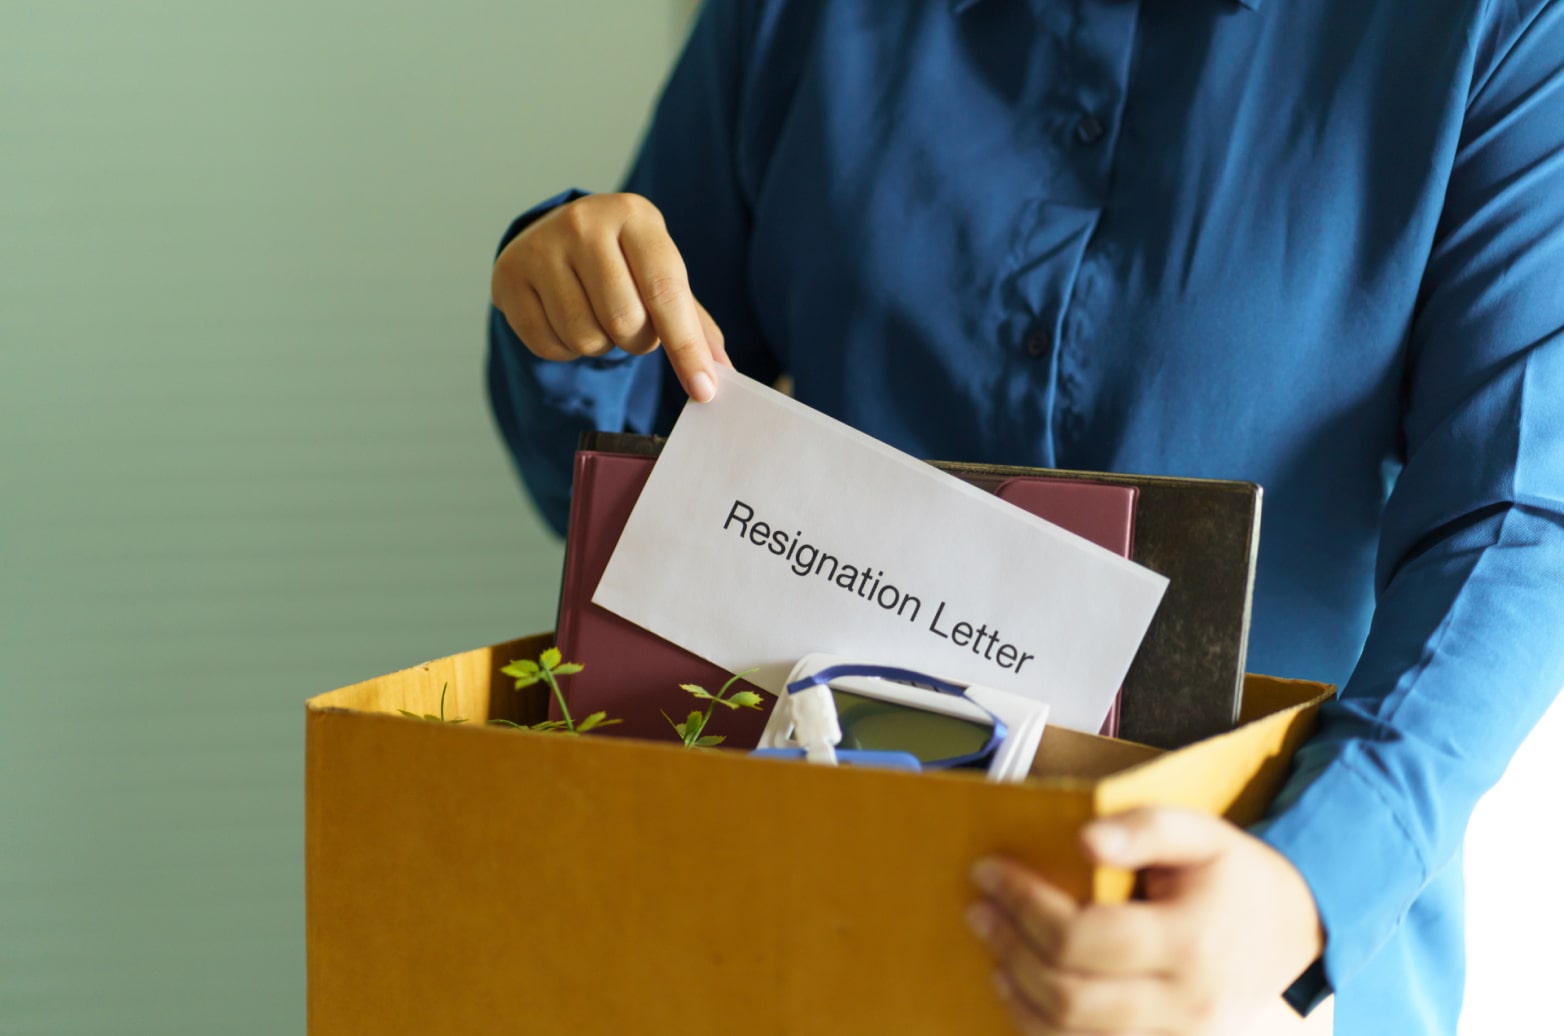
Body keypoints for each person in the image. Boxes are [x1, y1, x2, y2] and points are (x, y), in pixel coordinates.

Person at [485, 1, 1564, 1032]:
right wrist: (572, 310)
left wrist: (1306, 880)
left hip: (1243, 938)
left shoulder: (1490, 22)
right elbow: (629, 502)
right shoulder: (790, 14)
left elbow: (1517, 514)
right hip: (812, 919)